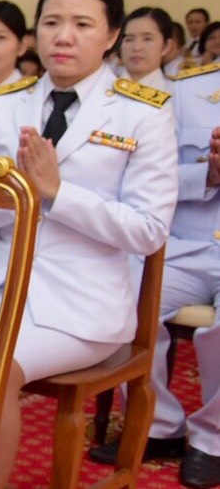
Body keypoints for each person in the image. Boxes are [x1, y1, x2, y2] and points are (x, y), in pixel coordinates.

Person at [0, 0, 178, 487]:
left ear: (112, 35)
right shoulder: (5, 105)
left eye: (82, 24)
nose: (63, 37)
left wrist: (57, 193)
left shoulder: (143, 114)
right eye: (52, 22)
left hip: (81, 301)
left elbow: (148, 230)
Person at [89, 58, 220, 484]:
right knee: (125, 296)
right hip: (185, 246)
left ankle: (212, 440)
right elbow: (151, 173)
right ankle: (158, 425)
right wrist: (208, 173)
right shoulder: (187, 90)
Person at [115, 7, 177, 92]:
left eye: (147, 39)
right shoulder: (103, 89)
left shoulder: (177, 93)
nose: (136, 47)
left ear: (166, 46)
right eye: (129, 39)